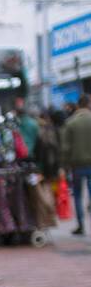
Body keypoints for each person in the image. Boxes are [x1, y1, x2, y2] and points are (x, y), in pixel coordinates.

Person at [61, 94, 91, 236]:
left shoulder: (70, 123)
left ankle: (81, 225)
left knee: (78, 196)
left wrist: (65, 165)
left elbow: (65, 148)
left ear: (78, 105)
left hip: (77, 165)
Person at [13, 95, 40, 160]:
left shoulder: (13, 124)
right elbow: (38, 140)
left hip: (19, 155)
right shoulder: (34, 123)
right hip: (32, 155)